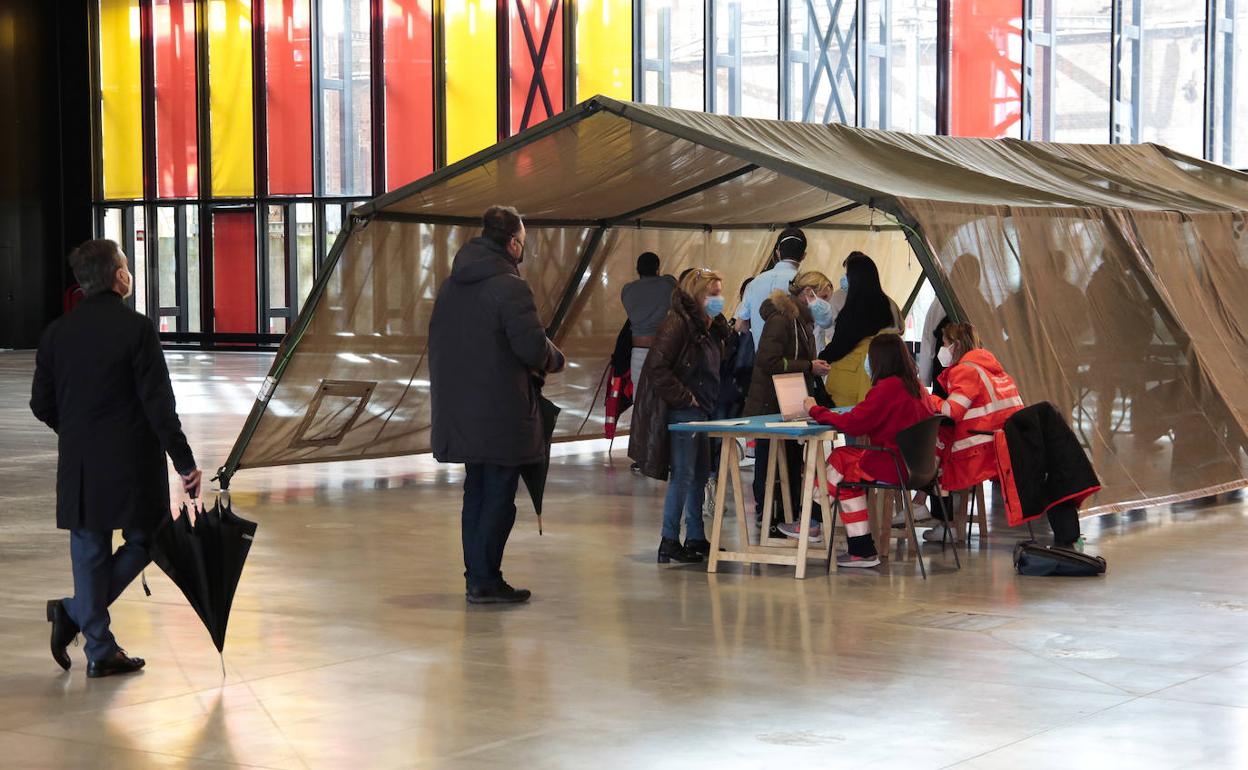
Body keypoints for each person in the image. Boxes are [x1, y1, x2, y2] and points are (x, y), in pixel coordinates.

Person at [30, 239, 201, 678]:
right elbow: (158, 405)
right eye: (126, 267)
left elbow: (41, 403)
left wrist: (75, 434)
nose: (129, 273)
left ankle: (97, 644)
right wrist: (184, 463)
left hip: (81, 465)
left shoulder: (55, 334)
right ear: (118, 276)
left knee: (89, 549)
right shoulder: (137, 329)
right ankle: (77, 618)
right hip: (131, 463)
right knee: (147, 540)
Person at [429, 205, 566, 605]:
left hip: (462, 410)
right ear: (512, 243)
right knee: (498, 499)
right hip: (502, 411)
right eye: (522, 243)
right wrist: (554, 357)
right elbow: (529, 346)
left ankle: (478, 576)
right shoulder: (509, 286)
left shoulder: (451, 285)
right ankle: (486, 580)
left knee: (477, 494)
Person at [801, 334, 936, 567]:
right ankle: (859, 549)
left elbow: (853, 423)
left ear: (879, 360)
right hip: (919, 467)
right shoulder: (917, 387)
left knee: (841, 458)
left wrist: (816, 410)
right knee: (849, 477)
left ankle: (812, 520)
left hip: (893, 465)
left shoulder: (887, 388)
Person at [629, 269, 731, 563]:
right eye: (712, 293)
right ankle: (669, 538)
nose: (718, 299)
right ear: (697, 294)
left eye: (719, 292)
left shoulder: (706, 325)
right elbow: (657, 368)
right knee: (684, 473)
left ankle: (696, 536)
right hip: (684, 409)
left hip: (702, 408)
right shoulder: (678, 323)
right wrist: (686, 396)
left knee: (699, 473)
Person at [743, 274, 833, 540]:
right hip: (773, 404)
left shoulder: (801, 322)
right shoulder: (781, 319)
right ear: (808, 293)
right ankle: (769, 514)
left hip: (790, 405)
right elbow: (768, 361)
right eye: (824, 298)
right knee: (771, 460)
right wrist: (808, 366)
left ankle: (788, 515)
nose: (825, 305)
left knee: (791, 462)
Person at [922, 323, 1025, 543]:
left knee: (936, 447)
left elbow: (952, 411)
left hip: (981, 447)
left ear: (956, 345)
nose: (942, 347)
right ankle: (931, 505)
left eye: (945, 343)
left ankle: (944, 521)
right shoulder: (991, 368)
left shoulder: (965, 371)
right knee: (941, 442)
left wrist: (928, 398)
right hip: (1003, 443)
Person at [819, 252, 899, 408]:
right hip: (882, 367)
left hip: (852, 374)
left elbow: (842, 342)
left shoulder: (853, 307)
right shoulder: (887, 303)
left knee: (852, 420)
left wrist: (823, 357)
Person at [736, 227, 808, 352]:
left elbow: (740, 325)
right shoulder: (805, 283)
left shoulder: (755, 282)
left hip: (763, 363)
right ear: (803, 255)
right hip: (797, 365)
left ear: (778, 252)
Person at [620, 251, 677, 389]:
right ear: (658, 269)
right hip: (662, 350)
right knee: (661, 398)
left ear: (637, 270)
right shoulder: (668, 284)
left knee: (639, 398)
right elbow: (673, 280)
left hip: (638, 351)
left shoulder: (627, 290)